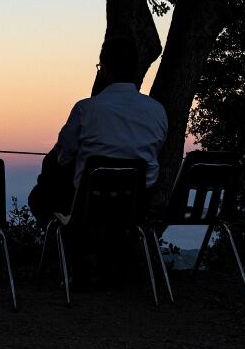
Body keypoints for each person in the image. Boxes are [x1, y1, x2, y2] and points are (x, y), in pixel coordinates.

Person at [28, 35, 168, 226]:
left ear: (105, 70)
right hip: (135, 209)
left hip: (87, 207)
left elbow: (62, 157)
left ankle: (63, 247)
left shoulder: (85, 109)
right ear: (135, 70)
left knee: (40, 193)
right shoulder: (157, 111)